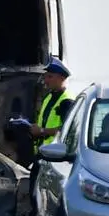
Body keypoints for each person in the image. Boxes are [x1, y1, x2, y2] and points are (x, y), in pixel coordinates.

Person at [27, 57, 74, 194]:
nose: (46, 80)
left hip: (55, 159)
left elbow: (68, 130)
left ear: (60, 78)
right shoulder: (49, 97)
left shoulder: (67, 101)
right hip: (42, 155)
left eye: (50, 77)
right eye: (46, 77)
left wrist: (41, 131)